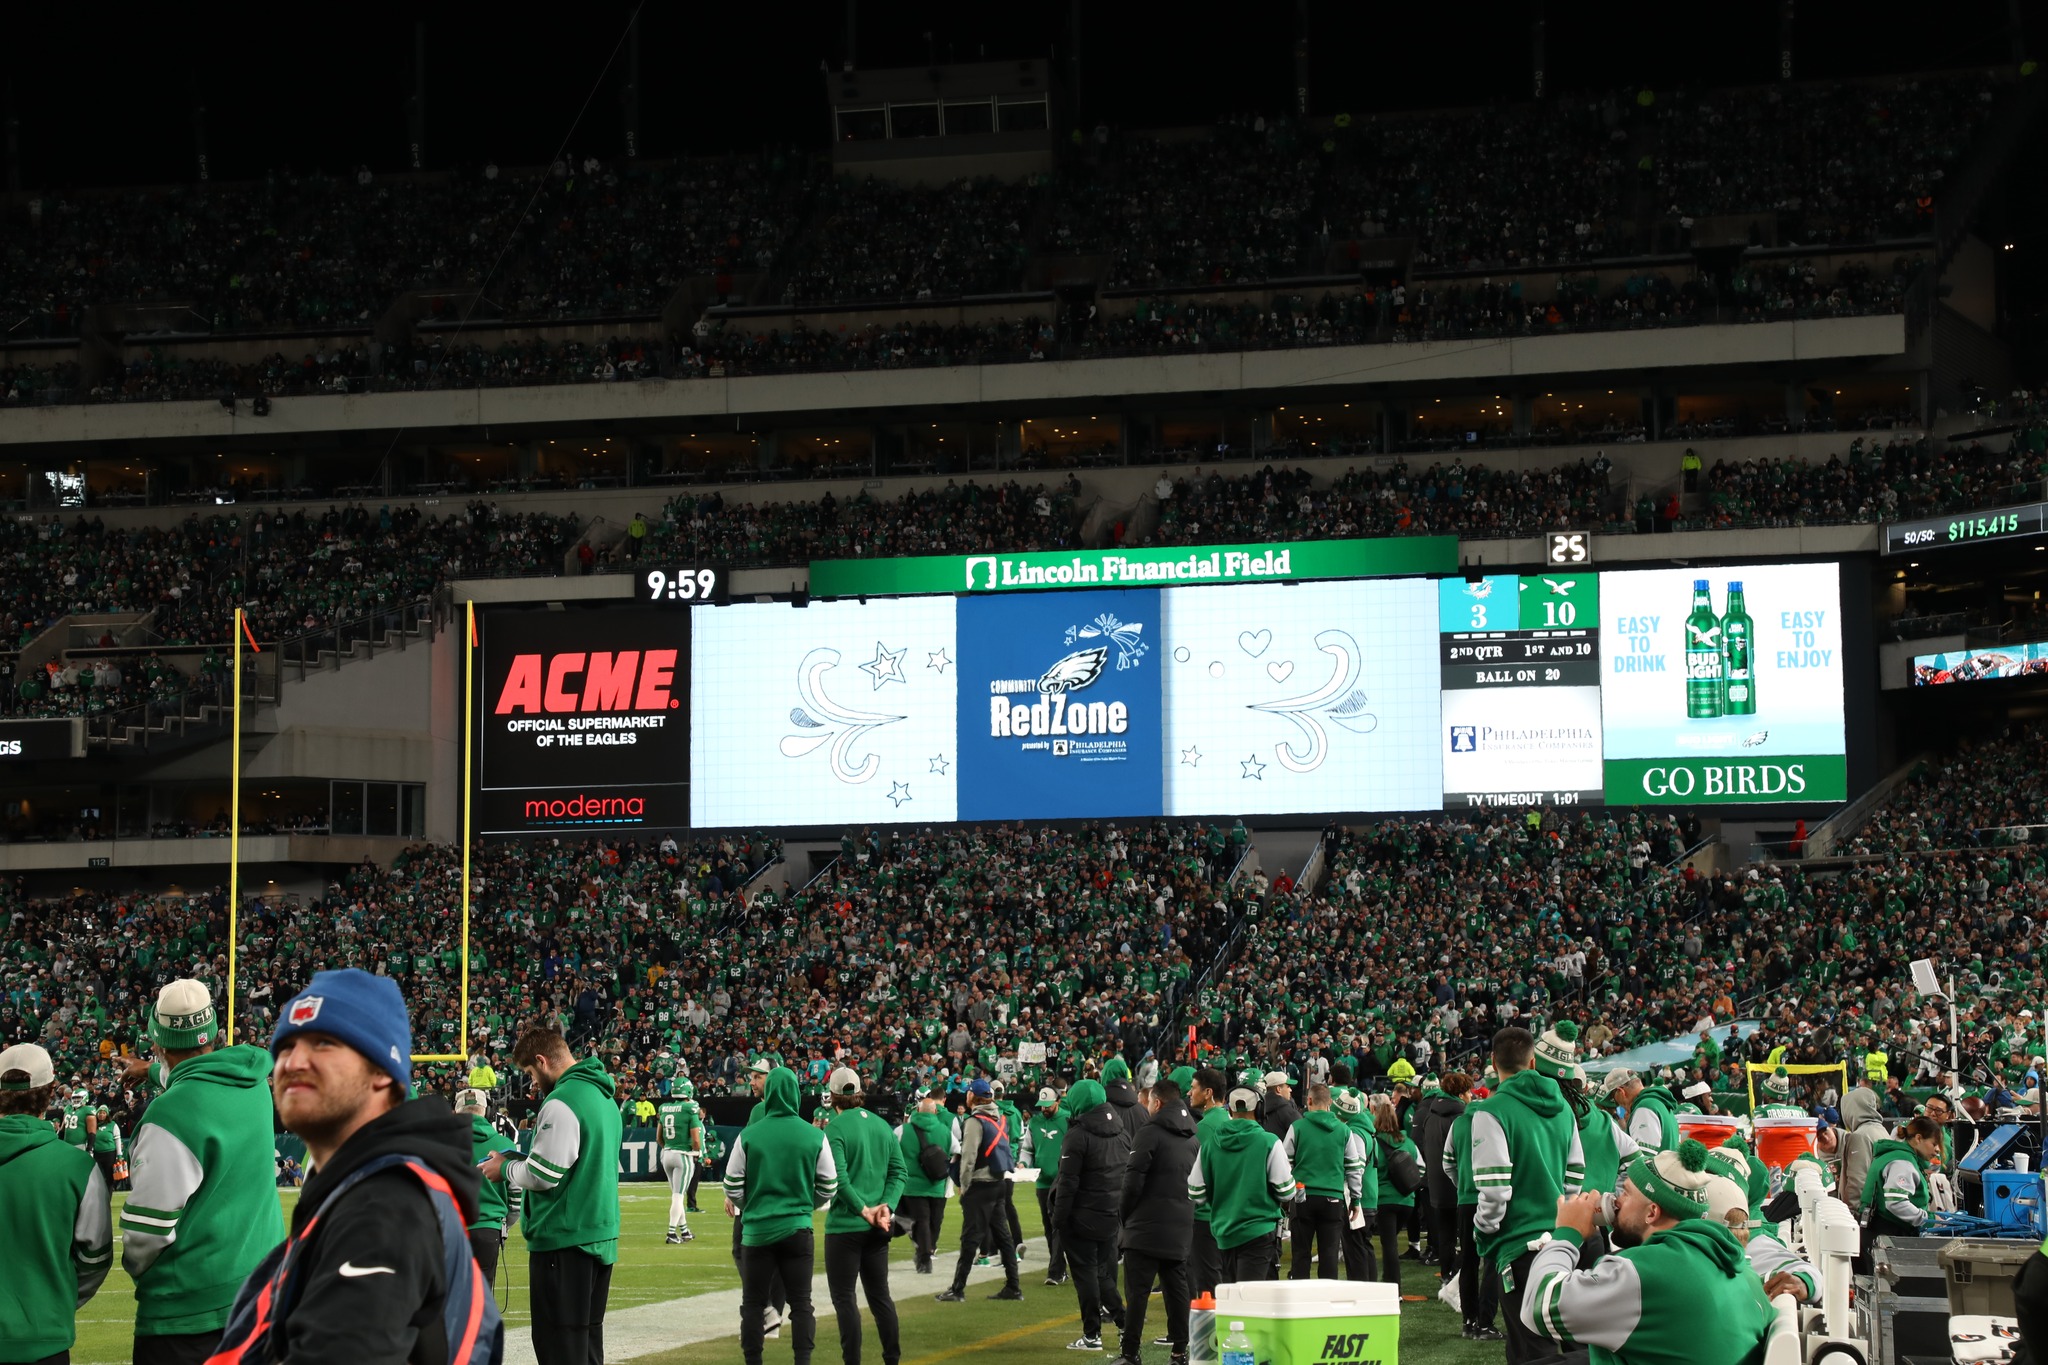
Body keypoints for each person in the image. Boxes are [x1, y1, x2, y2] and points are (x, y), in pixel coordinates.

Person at [219, 968, 500, 1365]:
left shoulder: (383, 1205)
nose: (292, 1062)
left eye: (324, 1043)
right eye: (285, 1046)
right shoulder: (359, 1184)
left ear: (382, 1073)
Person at [124, 979, 284, 1365]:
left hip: (188, 1319)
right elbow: (200, 1082)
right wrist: (152, 1072)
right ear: (213, 1032)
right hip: (261, 1300)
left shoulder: (168, 1116)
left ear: (158, 1042)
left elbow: (146, 1235)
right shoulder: (255, 1085)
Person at [1520, 1140, 1774, 1365]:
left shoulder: (1648, 1270)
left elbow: (1539, 1307)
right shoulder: (1741, 1269)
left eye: (1627, 1193)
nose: (1616, 1200)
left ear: (1652, 1212)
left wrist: (1568, 1232)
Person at [481, 1025, 622, 1365]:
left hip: (564, 1240)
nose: (532, 1083)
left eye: (531, 1073)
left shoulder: (562, 1101)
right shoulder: (604, 1097)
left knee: (558, 1347)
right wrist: (518, 1160)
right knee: (586, 1345)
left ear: (542, 1061)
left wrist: (504, 1168)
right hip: (598, 1235)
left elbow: (543, 1175)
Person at [1470, 1027, 1584, 1365]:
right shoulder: (1564, 1109)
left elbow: (1494, 1189)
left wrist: (1484, 1229)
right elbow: (1575, 1176)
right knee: (1574, 1348)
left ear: (1493, 1062)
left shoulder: (1491, 1111)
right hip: (1561, 1244)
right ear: (1533, 1062)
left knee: (1529, 1352)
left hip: (1519, 1247)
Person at [0, 1042, 113, 1365]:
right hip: (44, 1339)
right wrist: (54, 1299)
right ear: (51, 1093)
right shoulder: (77, 1167)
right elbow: (95, 1258)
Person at [725, 1066, 837, 1365]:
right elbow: (829, 1185)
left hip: (757, 1231)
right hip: (797, 1229)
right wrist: (804, 1206)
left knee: (752, 1304)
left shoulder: (749, 1134)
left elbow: (732, 1184)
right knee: (801, 1304)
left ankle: (754, 1360)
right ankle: (802, 1360)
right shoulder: (814, 1135)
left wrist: (752, 1206)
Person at [821, 1068, 905, 1365]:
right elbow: (899, 1172)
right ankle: (892, 1358)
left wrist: (862, 1209)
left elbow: (839, 1179)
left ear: (832, 1096)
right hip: (878, 1226)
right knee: (880, 1296)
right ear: (859, 1091)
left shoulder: (835, 1129)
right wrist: (886, 1206)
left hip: (845, 1226)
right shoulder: (882, 1126)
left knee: (845, 1299)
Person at [1118, 1077, 1197, 1365]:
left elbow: (1132, 1182)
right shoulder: (1193, 1136)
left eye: (1150, 1101)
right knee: (1177, 1291)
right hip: (1180, 1224)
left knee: (1137, 1293)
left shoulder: (1149, 1132)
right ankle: (1180, 1352)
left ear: (1158, 1103)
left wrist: (1125, 1216)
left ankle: (1130, 1353)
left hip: (1146, 1226)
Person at [1189, 1086, 1296, 1284]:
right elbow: (1286, 1191)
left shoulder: (1210, 1144)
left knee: (1230, 1295)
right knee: (1251, 1297)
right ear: (1259, 1109)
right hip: (1259, 1231)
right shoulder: (1269, 1141)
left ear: (1229, 1109)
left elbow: (1196, 1192)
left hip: (1223, 1232)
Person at [1053, 1078, 1129, 1351]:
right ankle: (1124, 1324)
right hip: (1110, 1214)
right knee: (1101, 1275)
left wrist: (1058, 1220)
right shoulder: (1121, 1132)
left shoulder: (1078, 1135)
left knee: (1087, 1276)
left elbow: (1067, 1183)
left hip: (1082, 1217)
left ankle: (1093, 1334)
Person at [935, 1078, 1023, 1303]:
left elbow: (969, 1157)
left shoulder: (975, 1121)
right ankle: (1013, 1286)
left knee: (970, 1238)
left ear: (973, 1096)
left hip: (980, 1186)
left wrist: (964, 1186)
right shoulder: (999, 1118)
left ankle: (957, 1289)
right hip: (998, 1183)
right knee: (1003, 1237)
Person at [1285, 1084, 1367, 1280]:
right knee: (1329, 1257)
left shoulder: (1297, 1127)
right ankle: (1327, 1297)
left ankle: (1299, 1296)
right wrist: (1355, 1199)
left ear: (1309, 1100)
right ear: (1330, 1102)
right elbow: (1354, 1168)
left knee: (1300, 1255)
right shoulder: (1344, 1130)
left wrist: (1287, 1194)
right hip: (1333, 1198)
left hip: (1302, 1196)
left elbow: (1284, 1163)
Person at [457, 1089, 520, 1288]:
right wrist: (502, 1225)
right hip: (489, 1230)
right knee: (481, 1297)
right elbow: (516, 1198)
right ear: (487, 1111)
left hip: (450, 1229)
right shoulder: (506, 1145)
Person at [1859, 1114, 1942, 1261]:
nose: (1938, 1150)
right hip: (1887, 1234)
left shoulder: (1893, 1155)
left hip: (1874, 1231)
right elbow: (1896, 1203)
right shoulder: (1902, 1162)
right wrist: (1928, 1219)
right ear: (1918, 1138)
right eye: (1934, 1144)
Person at [897, 1088, 954, 1276]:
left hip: (912, 1187)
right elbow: (957, 1151)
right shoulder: (945, 1131)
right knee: (935, 1221)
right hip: (938, 1185)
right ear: (935, 1111)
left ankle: (924, 1258)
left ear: (918, 1110)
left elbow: (890, 1151)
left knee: (920, 1221)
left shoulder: (902, 1130)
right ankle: (928, 1251)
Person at [1186, 1068, 1229, 1298]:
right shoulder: (1230, 1120)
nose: (1189, 1092)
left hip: (1205, 1216)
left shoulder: (1203, 1129)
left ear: (1208, 1092)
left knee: (1207, 1286)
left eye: (1193, 1088)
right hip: (1228, 1212)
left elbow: (1193, 1174)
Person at [1022, 1085, 1070, 1286]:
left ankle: (1056, 1271)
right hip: (1042, 1182)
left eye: (1048, 1105)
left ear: (1057, 1102)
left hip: (1063, 1182)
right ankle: (1058, 1267)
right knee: (1049, 1227)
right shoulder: (1035, 1122)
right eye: (1042, 1105)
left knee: (1059, 1226)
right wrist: (1023, 1163)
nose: (1044, 1109)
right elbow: (1027, 1149)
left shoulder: (1068, 1119)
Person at [1369, 1098, 1419, 1286]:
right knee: (1391, 1243)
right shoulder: (1409, 1142)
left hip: (1385, 1200)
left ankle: (1393, 1287)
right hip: (1407, 1200)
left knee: (1389, 1245)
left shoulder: (1374, 1143)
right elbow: (1420, 1168)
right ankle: (1392, 1284)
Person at [656, 1082, 702, 1243]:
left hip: (667, 1154)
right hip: (682, 1155)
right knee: (678, 1196)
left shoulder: (664, 1108)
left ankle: (684, 1231)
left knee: (677, 1195)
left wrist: (669, 1148)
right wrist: (696, 1152)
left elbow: (658, 1137)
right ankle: (671, 1233)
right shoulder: (690, 1109)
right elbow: (696, 1139)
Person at [1837, 1080, 1890, 1209]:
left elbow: (1858, 1180)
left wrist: (1852, 1212)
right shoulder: (1881, 1130)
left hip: (1863, 1212)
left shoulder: (1860, 1136)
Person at [1259, 1072, 1301, 1141]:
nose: (1290, 1090)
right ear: (1278, 1089)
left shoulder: (1257, 1110)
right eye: (1288, 1086)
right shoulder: (1289, 1113)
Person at [91, 1103, 124, 1190]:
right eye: (100, 1113)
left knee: (109, 1176)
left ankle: (109, 1194)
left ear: (107, 1114)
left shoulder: (113, 1125)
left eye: (104, 1113)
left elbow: (117, 1140)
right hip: (97, 1153)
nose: (101, 1115)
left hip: (109, 1154)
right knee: (97, 1175)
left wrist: (119, 1155)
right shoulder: (93, 1125)